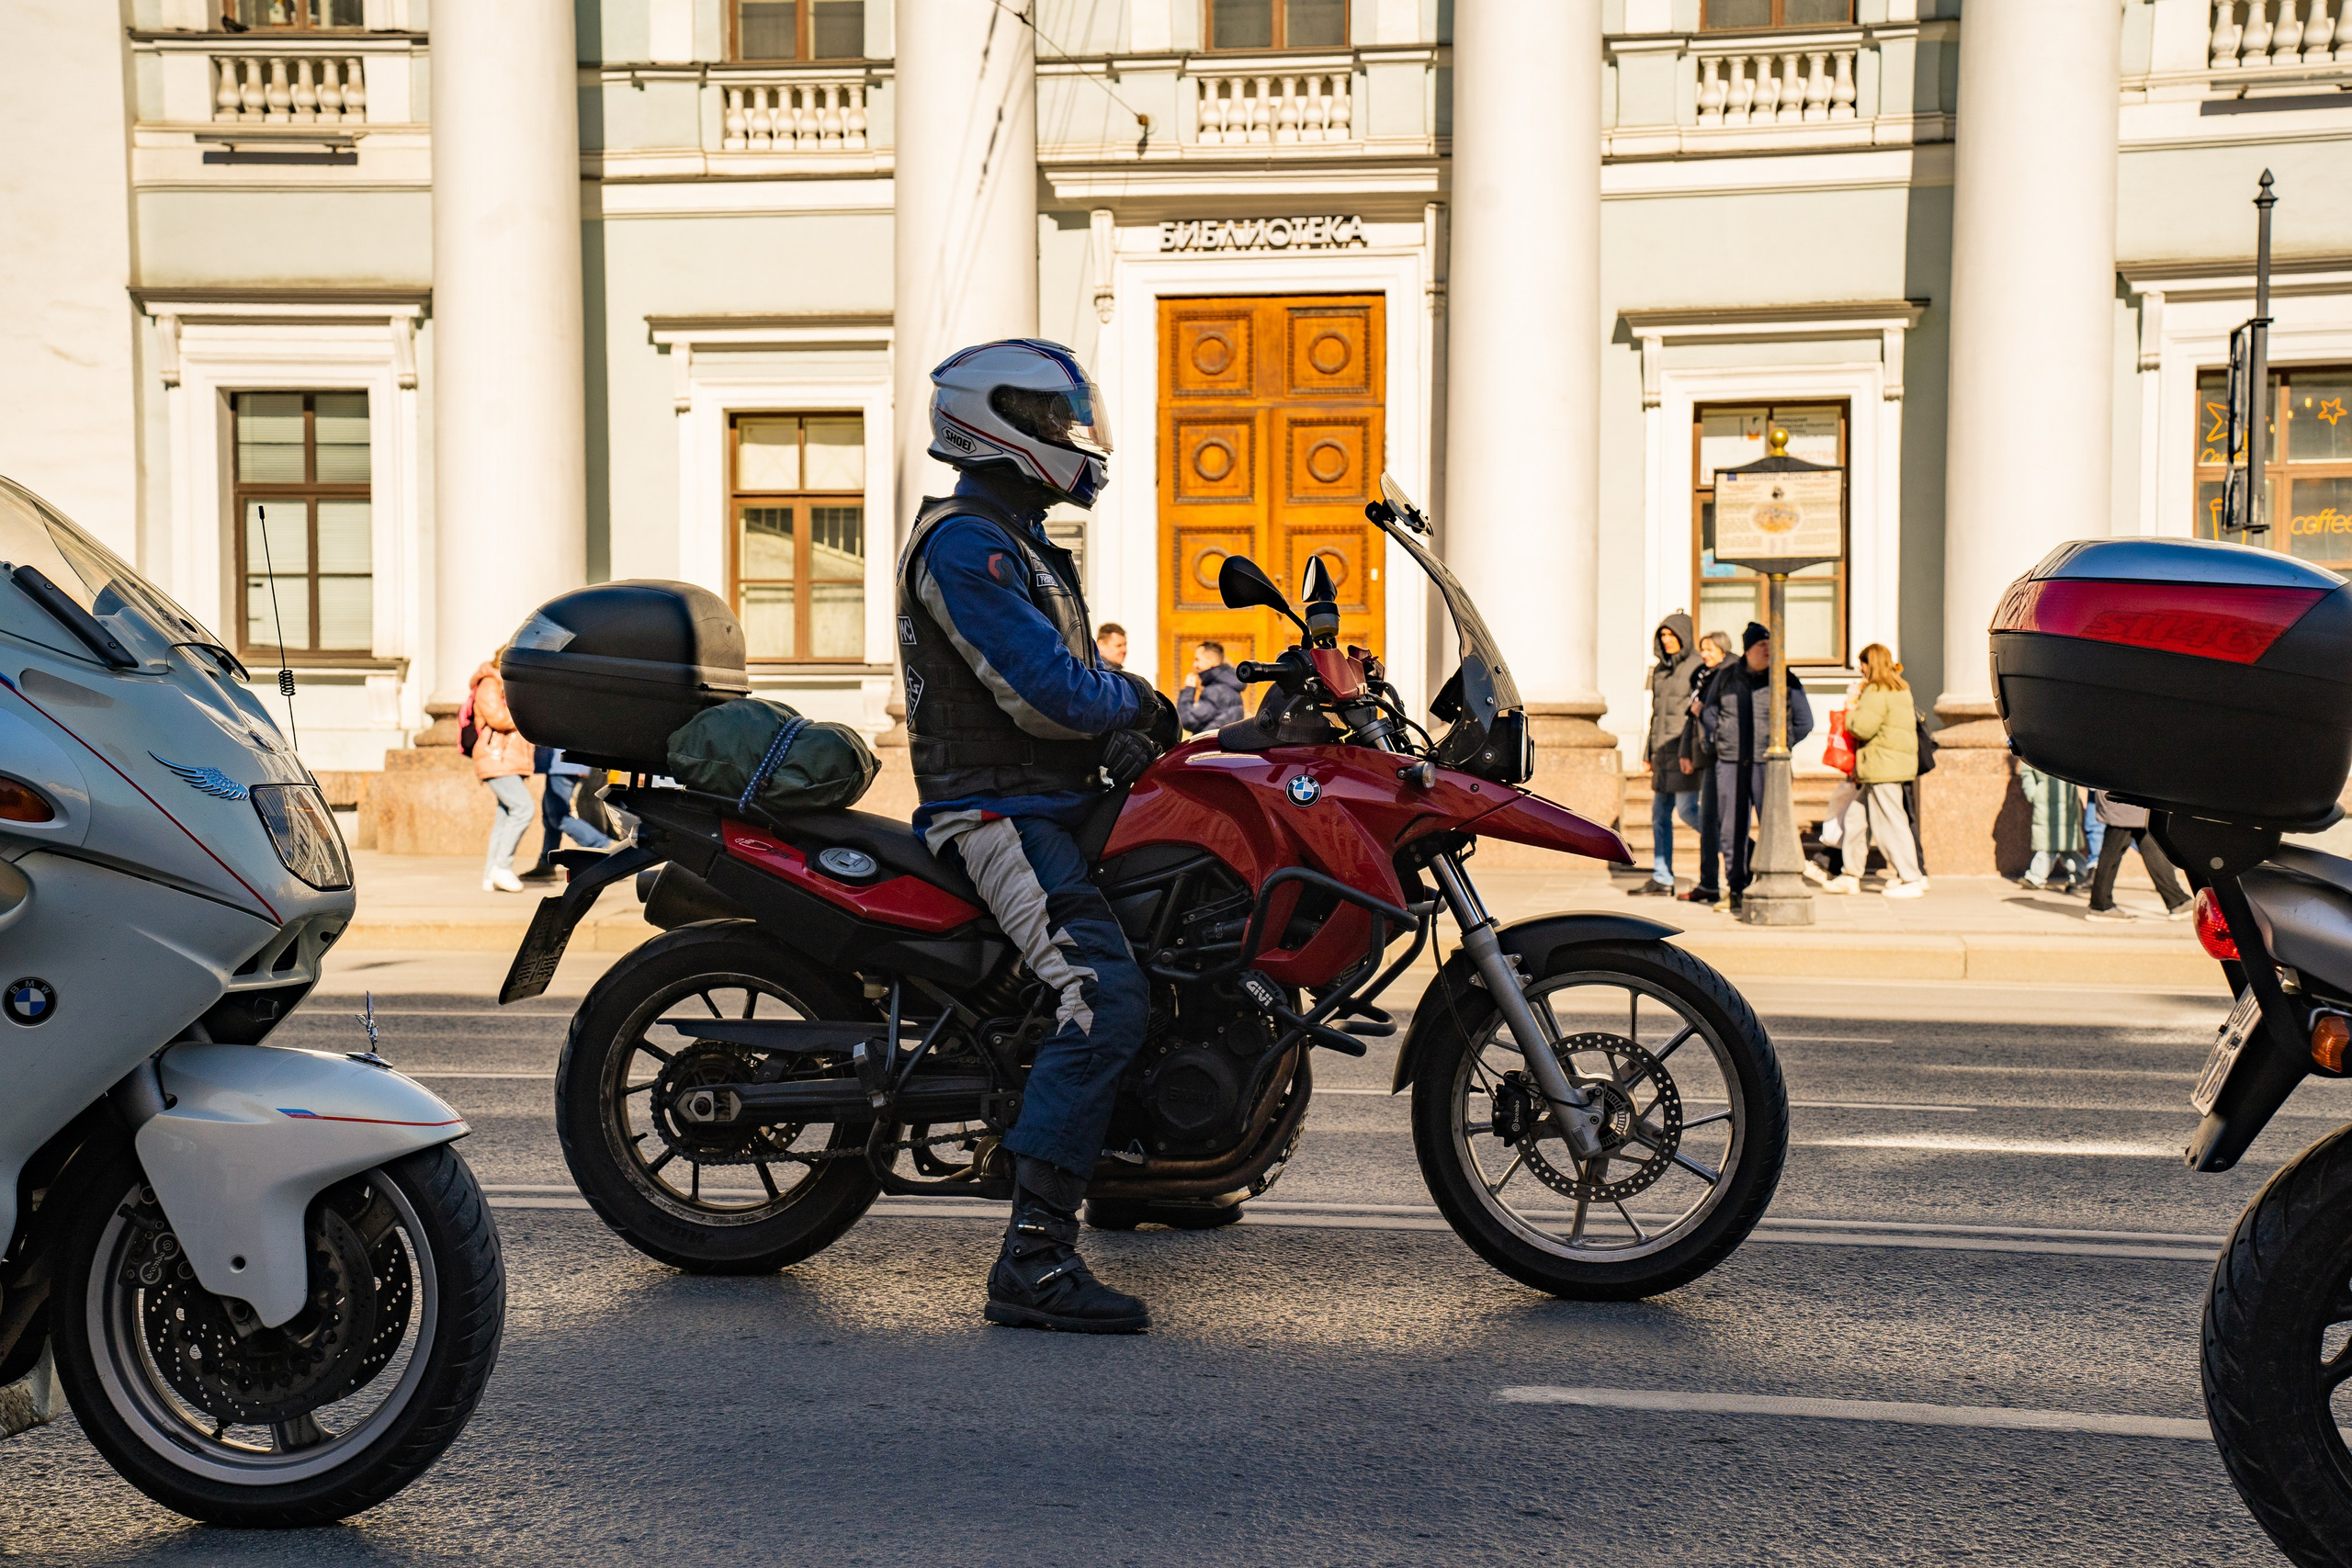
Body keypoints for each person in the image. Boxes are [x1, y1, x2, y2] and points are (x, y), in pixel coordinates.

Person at [896, 338, 1179, 1335]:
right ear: (998, 421)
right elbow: (1043, 692)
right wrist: (1137, 696)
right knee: (1102, 996)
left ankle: (1161, 1176)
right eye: (1057, 420)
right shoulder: (965, 543)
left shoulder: (1016, 538)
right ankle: (1033, 1259)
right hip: (998, 809)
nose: (1076, 439)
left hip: (1053, 803)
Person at [1701, 622, 1813, 910]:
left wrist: (1782, 746)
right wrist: (1720, 736)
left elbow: (1804, 721)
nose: (1768, 650)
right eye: (1761, 645)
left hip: (1769, 765)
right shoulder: (1727, 676)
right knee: (1732, 828)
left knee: (1774, 826)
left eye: (1770, 645)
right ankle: (1736, 889)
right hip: (1732, 762)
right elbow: (1709, 711)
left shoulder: (1784, 677)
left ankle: (1774, 885)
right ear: (1748, 650)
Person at [1825, 643, 1927, 899]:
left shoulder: (1876, 690)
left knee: (1890, 822)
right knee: (1855, 820)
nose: (1861, 669)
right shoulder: (1900, 688)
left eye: (1863, 664)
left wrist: (1849, 710)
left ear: (1872, 664)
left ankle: (1911, 877)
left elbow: (1862, 727)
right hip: (1889, 765)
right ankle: (1850, 875)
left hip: (1882, 767)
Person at [1634, 613, 1703, 896]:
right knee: (1659, 815)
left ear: (1684, 637)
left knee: (1688, 812)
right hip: (1663, 754)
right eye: (1663, 636)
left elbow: (1696, 717)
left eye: (1672, 635)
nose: (1667, 640)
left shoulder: (1698, 667)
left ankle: (1740, 850)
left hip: (1685, 754)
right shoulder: (1660, 671)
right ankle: (1662, 877)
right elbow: (1656, 716)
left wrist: (1692, 753)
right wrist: (1648, 751)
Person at [465, 658, 536, 893]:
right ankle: (502, 868)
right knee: (523, 808)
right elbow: (498, 718)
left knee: (505, 815)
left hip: (507, 759)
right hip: (495, 757)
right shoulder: (489, 683)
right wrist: (526, 713)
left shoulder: (503, 684)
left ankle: (490, 875)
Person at [1679, 630, 1733, 905]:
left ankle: (1732, 881)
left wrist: (1704, 713)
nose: (1704, 654)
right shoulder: (1703, 676)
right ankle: (1709, 883)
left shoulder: (1730, 674)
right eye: (1702, 649)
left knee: (1721, 822)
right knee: (1709, 821)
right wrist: (1685, 752)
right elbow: (1691, 719)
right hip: (1708, 757)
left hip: (1727, 758)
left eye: (1709, 649)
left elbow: (1724, 720)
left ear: (1723, 650)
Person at [2085, 790, 2192, 922]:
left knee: (2150, 844)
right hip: (2123, 797)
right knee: (2113, 848)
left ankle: (2177, 901)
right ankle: (2100, 905)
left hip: (2132, 798)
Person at [520, 746, 615, 882]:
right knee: (549, 816)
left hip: (563, 763)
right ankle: (547, 862)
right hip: (559, 763)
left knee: (558, 816)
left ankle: (603, 845)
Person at [2018, 765, 2086, 891]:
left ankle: (2082, 874)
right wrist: (2032, 793)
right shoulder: (2035, 746)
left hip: (2068, 801)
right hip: (2044, 801)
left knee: (2066, 845)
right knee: (2047, 842)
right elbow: (2026, 770)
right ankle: (2082, 874)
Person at [1176, 639, 1245, 736]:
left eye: (1197, 659)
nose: (1194, 665)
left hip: (1209, 747)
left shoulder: (1215, 691)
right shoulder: (1228, 686)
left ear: (1211, 661)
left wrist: (1188, 689)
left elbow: (1188, 720)